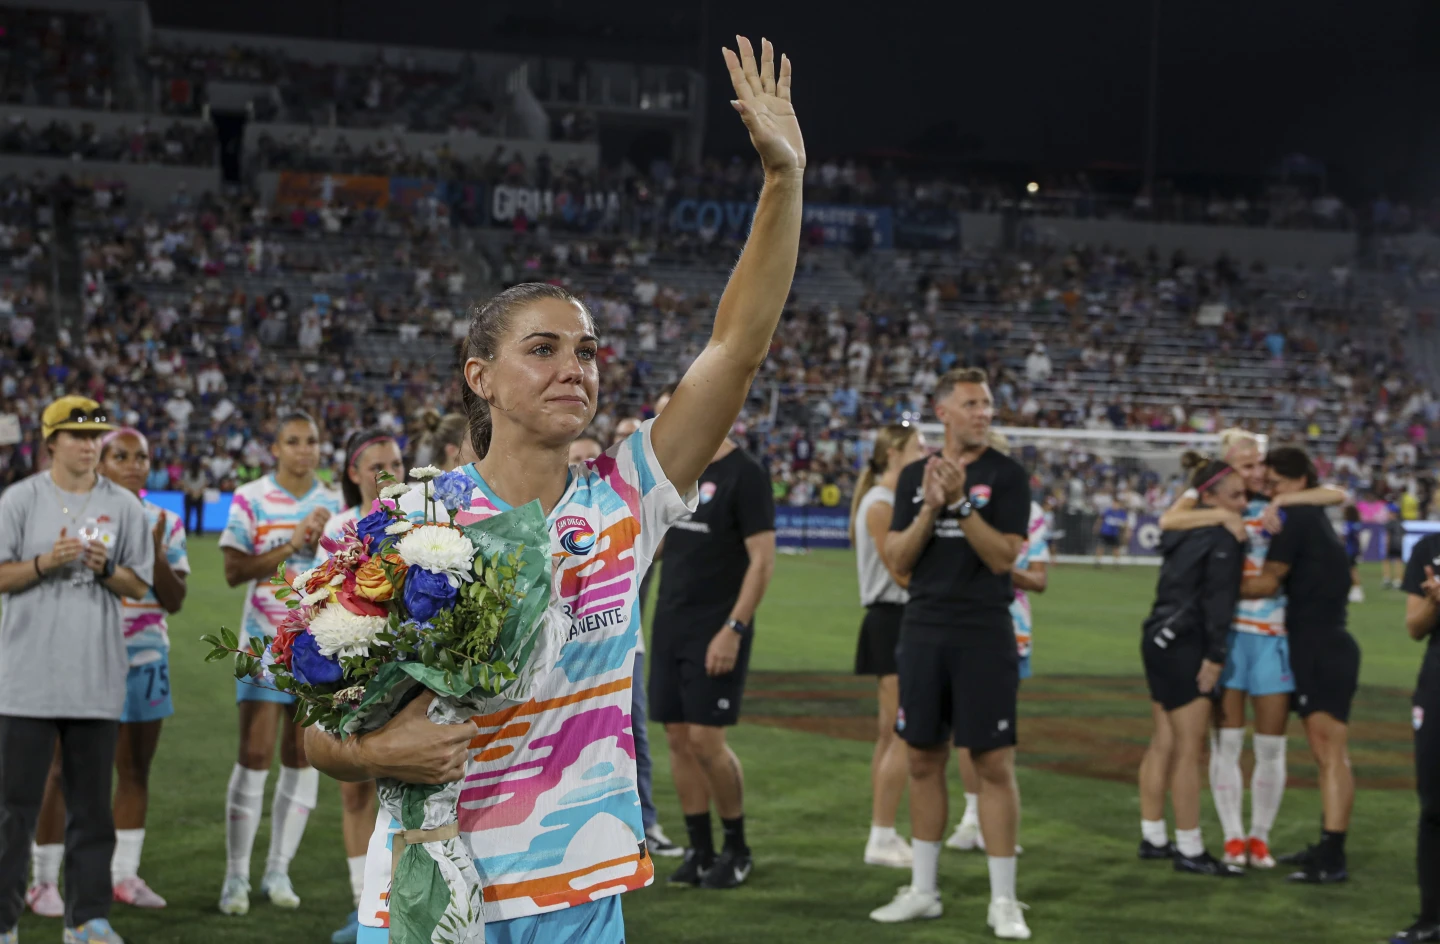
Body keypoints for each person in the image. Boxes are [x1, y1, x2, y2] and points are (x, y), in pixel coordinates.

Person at [306, 35, 803, 943]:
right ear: (480, 377)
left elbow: (738, 345)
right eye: (542, 348)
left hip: (576, 891)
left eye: (586, 351)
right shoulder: (404, 520)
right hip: (424, 890)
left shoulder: (627, 497)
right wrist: (376, 750)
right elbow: (317, 730)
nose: (575, 367)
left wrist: (782, 180)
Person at [869, 367, 1033, 939]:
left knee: (992, 763)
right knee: (921, 759)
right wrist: (930, 508)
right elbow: (899, 558)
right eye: (971, 404)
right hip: (923, 631)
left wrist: (962, 507)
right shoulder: (915, 474)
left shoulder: (1008, 475)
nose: (983, 412)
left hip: (984, 631)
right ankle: (922, 890)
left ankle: (1004, 900)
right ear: (943, 412)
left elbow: (1003, 558)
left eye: (987, 404)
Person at [0, 396, 155, 944]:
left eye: (95, 437)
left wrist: (105, 568)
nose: (89, 445)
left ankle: (87, 920)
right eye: (76, 435)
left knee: (92, 810)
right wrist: (46, 562)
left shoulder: (127, 507)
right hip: (26, 682)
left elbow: (140, 584)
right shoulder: (20, 500)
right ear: (50, 443)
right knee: (12, 812)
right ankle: (4, 922)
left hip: (96, 679)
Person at [1156, 428, 1345, 868]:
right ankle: (1233, 837)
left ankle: (1259, 837)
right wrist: (1220, 518)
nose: (1258, 470)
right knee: (1226, 744)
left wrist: (1283, 501)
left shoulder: (1275, 504)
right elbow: (1169, 521)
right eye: (1247, 461)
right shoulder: (1208, 504)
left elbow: (1335, 493)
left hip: (1274, 635)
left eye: (1260, 461)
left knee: (1271, 745)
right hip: (1227, 636)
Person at [26, 429, 188, 917]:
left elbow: (175, 601)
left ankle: (123, 876)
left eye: (142, 456)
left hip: (144, 660)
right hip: (81, 660)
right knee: (60, 771)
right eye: (122, 455)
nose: (135, 464)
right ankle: (42, 882)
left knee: (134, 771)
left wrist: (155, 552)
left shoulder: (167, 521)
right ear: (101, 460)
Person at [217, 410, 342, 916]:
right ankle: (235, 878)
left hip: (317, 645)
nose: (304, 449)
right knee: (254, 752)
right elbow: (232, 571)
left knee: (301, 755)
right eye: (293, 441)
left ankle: (277, 870)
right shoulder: (250, 498)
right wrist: (292, 546)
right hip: (259, 643)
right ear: (275, 448)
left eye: (311, 440)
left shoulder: (334, 502)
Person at [650, 403, 776, 890]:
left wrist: (735, 629)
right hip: (671, 623)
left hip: (717, 627)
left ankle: (737, 848)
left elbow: (762, 561)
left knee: (707, 741)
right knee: (679, 740)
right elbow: (663, 545)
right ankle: (700, 851)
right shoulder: (676, 476)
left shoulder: (746, 475)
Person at [1239, 447, 1359, 884]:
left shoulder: (1298, 519)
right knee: (1328, 753)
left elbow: (1268, 582)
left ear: (1293, 482)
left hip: (1318, 646)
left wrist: (1208, 583)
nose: (1267, 491)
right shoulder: (1313, 516)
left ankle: (1332, 856)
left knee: (1329, 754)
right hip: (1328, 644)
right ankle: (1327, 845)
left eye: (1273, 484)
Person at [1137, 452, 1247, 878]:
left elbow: (1169, 524)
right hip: (1186, 641)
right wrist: (1216, 655)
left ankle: (1153, 835)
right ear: (1213, 495)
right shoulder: (1224, 536)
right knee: (1189, 749)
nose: (1242, 503)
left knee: (1163, 739)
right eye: (1235, 495)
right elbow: (1220, 601)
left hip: (1157, 634)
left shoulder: (1184, 525)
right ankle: (1190, 847)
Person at [319, 429, 406, 944]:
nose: (389, 473)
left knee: (402, 796)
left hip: (409, 677)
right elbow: (319, 605)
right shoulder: (338, 527)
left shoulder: (420, 514)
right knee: (355, 797)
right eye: (377, 466)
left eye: (396, 461)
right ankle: (363, 906)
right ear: (354, 474)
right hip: (351, 678)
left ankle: (402, 899)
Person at [949, 431, 1049, 855]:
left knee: (994, 731)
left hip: (1010, 629)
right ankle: (971, 817)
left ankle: (986, 821)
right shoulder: (952, 502)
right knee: (960, 728)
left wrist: (993, 564)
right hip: (959, 623)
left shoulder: (1035, 514)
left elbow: (1040, 579)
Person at [852, 423, 927, 869]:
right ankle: (881, 836)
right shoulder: (882, 504)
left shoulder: (880, 500)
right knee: (902, 732)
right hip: (894, 619)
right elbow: (900, 574)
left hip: (890, 620)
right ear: (895, 454)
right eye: (919, 447)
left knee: (890, 733)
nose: (926, 453)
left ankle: (883, 832)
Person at [609, 414, 682, 859]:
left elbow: (654, 545)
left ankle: (646, 824)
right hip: (586, 642)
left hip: (627, 643)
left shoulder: (638, 505)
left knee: (633, 734)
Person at [1396, 531, 1440, 943]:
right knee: (1433, 806)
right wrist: (1434, 600)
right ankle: (1431, 919)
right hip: (1436, 686)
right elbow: (1414, 627)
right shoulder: (1430, 548)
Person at [1093, 491, 1130, 567]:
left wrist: (1126, 531)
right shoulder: (1108, 511)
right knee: (1101, 546)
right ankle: (1098, 561)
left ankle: (1116, 562)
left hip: (1114, 533)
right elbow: (1100, 519)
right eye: (1114, 503)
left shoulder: (1121, 513)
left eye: (1116, 504)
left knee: (1116, 547)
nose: (1115, 505)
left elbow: (1125, 523)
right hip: (1105, 532)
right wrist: (1096, 526)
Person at [1343, 504, 1365, 603]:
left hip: (1348, 551)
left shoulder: (1348, 524)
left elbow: (1345, 537)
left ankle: (1356, 591)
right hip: (1354, 551)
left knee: (1351, 571)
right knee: (1352, 570)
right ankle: (1355, 591)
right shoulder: (1356, 524)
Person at [182, 460, 208, 536]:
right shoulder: (198, 473)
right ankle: (198, 532)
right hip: (196, 495)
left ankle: (188, 531)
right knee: (197, 514)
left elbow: (185, 484)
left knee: (189, 514)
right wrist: (196, 493)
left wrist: (194, 492)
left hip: (191, 495)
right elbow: (204, 484)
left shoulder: (190, 473)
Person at [1386, 500, 1408, 590]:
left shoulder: (1389, 524)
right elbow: (1404, 534)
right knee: (1399, 562)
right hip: (1400, 545)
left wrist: (1386, 546)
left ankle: (1387, 578)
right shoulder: (1400, 523)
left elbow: (1388, 536)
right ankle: (1398, 580)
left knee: (1387, 560)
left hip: (1392, 545)